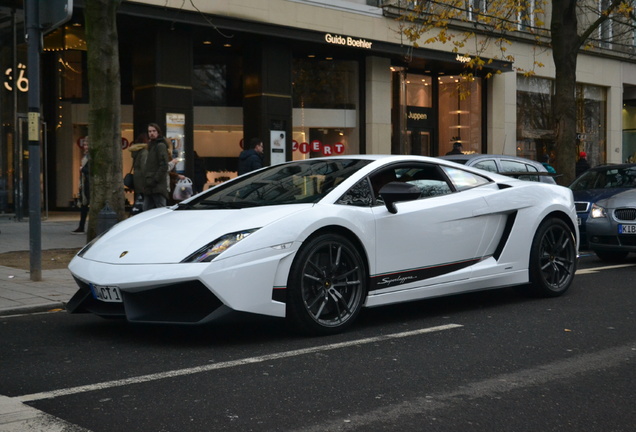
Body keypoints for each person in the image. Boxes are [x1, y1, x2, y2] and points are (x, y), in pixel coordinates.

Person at [143, 123, 170, 211]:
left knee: (160, 210)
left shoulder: (160, 145)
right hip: (150, 184)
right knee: (147, 211)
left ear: (158, 132)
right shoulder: (151, 146)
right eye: (149, 131)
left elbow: (164, 165)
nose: (151, 133)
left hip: (157, 185)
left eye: (154, 131)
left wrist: (155, 179)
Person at [71, 137, 90, 234]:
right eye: (85, 145)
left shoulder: (90, 157)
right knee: (84, 206)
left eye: (87, 145)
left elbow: (91, 171)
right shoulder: (86, 156)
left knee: (85, 205)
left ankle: (82, 226)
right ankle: (81, 226)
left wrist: (82, 169)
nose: (85, 147)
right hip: (85, 184)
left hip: (89, 185)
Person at [129, 133, 148, 215]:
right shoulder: (144, 152)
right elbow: (144, 166)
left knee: (139, 199)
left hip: (137, 179)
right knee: (145, 201)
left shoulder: (136, 152)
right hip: (142, 180)